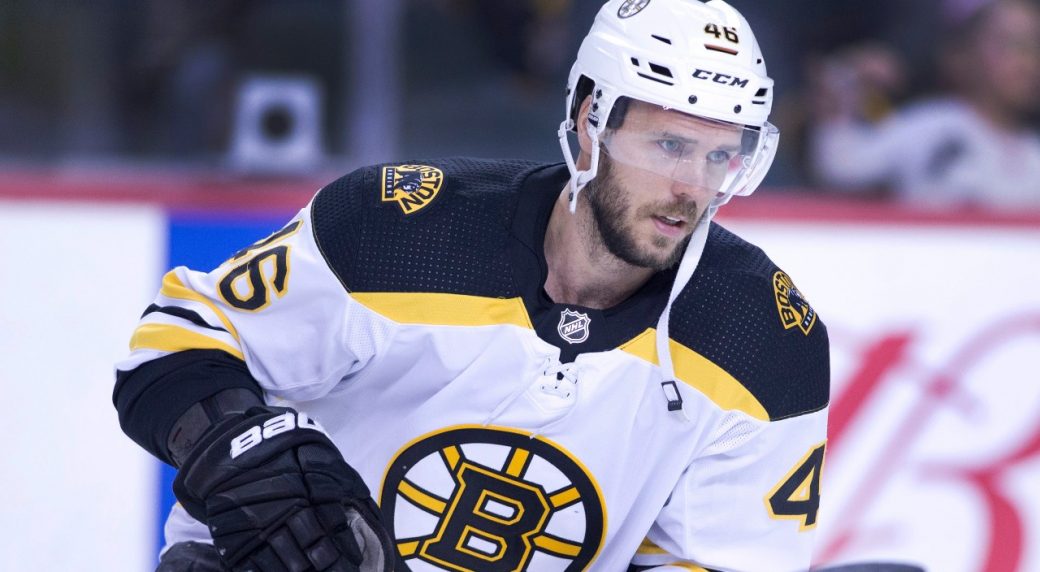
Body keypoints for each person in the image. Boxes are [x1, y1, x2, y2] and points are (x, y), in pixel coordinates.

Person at [113, 1, 830, 570]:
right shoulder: (399, 230)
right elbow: (174, 345)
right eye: (669, 145)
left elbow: (707, 559)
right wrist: (245, 455)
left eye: (718, 156)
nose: (690, 188)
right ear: (589, 124)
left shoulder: (763, 344)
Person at [808, 0, 1040, 210]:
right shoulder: (932, 126)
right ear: (961, 54)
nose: (1028, 62)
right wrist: (837, 109)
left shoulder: (1033, 150)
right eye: (1012, 44)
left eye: (1035, 47)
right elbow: (844, 169)